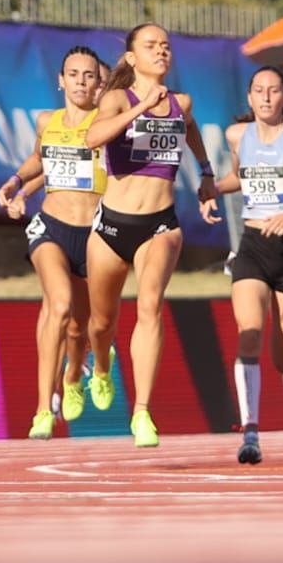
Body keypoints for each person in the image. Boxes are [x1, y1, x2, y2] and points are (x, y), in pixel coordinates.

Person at [85, 23, 219, 447]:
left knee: (149, 306)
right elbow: (93, 138)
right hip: (110, 227)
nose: (161, 51)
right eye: (150, 45)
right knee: (102, 322)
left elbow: (191, 128)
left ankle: (142, 412)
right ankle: (102, 366)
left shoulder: (181, 102)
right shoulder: (114, 99)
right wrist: (140, 107)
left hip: (159, 224)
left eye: (165, 46)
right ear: (131, 57)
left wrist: (207, 173)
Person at [204, 66, 283, 464]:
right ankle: (250, 431)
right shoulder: (238, 136)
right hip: (252, 247)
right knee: (249, 333)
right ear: (250, 98)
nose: (267, 97)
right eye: (259, 91)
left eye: (274, 91)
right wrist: (212, 189)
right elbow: (242, 177)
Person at [0, 46, 105, 439]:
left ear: (99, 83)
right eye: (73, 74)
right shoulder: (48, 121)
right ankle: (43, 409)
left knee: (81, 330)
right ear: (61, 80)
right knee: (57, 306)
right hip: (52, 227)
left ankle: (74, 374)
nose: (80, 81)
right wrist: (17, 184)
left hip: (95, 235)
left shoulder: (107, 125)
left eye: (88, 75)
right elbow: (43, 160)